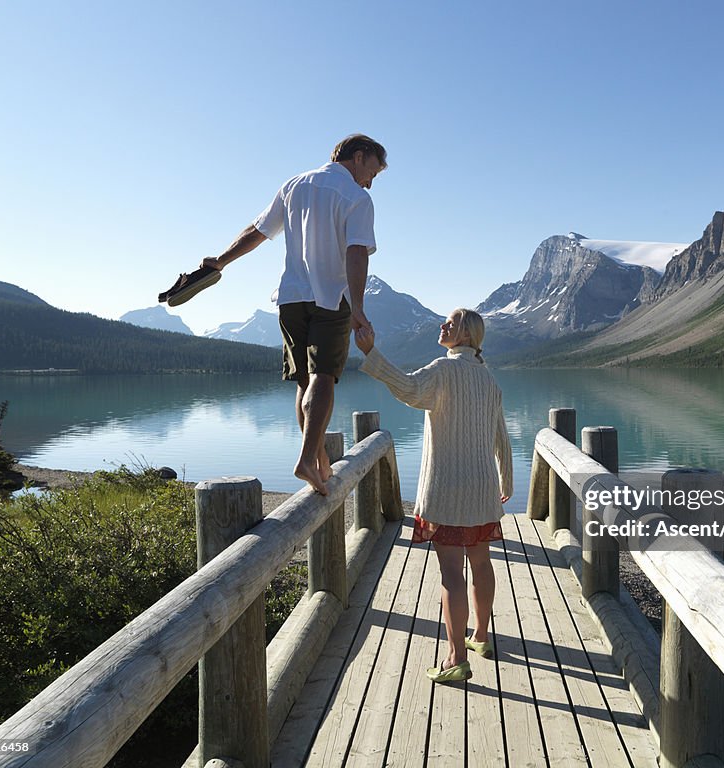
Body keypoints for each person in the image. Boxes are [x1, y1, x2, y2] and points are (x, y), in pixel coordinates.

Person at [200, 134, 387, 495]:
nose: (370, 182)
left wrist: (220, 261)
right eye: (373, 173)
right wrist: (359, 307)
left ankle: (317, 458)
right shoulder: (356, 197)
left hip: (290, 297)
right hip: (330, 297)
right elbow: (357, 253)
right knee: (324, 377)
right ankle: (306, 460)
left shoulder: (294, 185)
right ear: (359, 157)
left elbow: (258, 232)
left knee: (304, 382)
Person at [354, 309, 513, 683]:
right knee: (481, 564)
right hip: (482, 487)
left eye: (452, 322)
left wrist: (371, 354)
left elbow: (408, 389)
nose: (444, 325)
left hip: (447, 489)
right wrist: (506, 478)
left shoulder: (443, 369)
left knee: (450, 575)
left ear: (467, 335)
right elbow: (500, 436)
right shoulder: (488, 379)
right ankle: (481, 636)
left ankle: (456, 657)